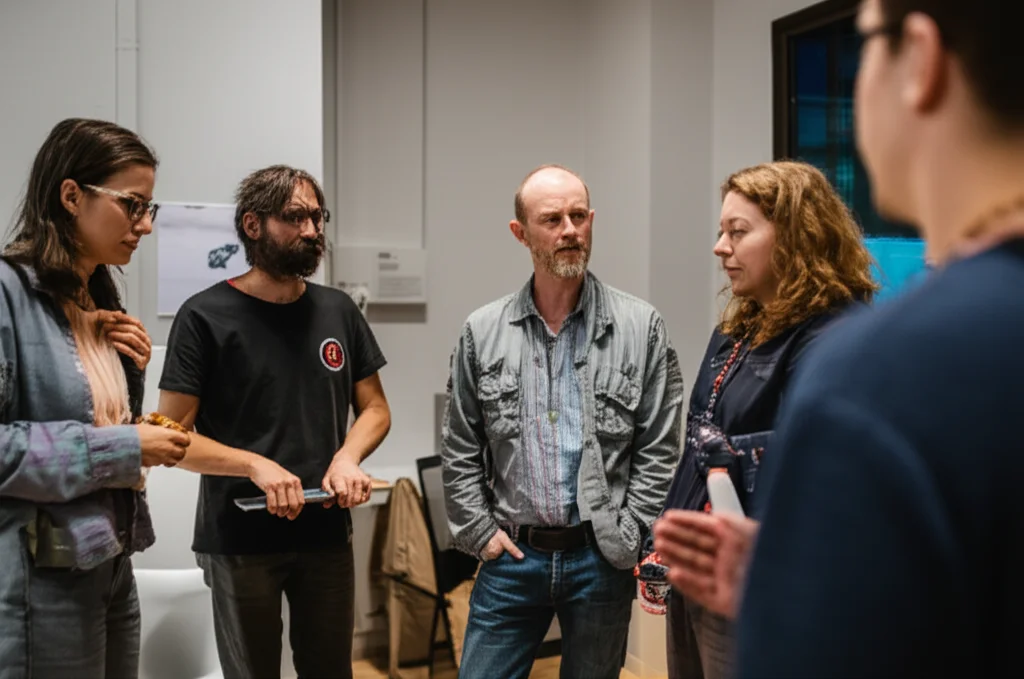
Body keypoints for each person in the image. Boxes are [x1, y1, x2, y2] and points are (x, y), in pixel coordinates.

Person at [656, 0, 1024, 676]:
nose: (720, 248)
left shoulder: (872, 366)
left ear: (919, 58)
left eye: (864, 46)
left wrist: (783, 583)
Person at [442, 164, 685, 679]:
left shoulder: (641, 327)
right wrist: (480, 533)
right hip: (511, 556)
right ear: (521, 233)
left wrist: (631, 530)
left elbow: (660, 445)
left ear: (592, 220)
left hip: (599, 559)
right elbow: (460, 443)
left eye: (579, 216)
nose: (569, 230)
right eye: (552, 219)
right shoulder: (482, 331)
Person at [156, 165, 391, 679]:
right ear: (253, 225)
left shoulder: (338, 310)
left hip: (327, 532)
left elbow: (375, 408)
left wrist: (348, 457)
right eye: (294, 217)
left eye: (316, 217)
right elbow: (167, 438)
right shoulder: (204, 316)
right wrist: (254, 465)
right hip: (239, 539)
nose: (311, 230)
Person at [646, 161, 877, 679]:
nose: (719, 247)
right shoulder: (739, 328)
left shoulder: (834, 337)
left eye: (738, 232)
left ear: (796, 237)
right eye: (721, 231)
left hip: (760, 579)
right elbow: (701, 442)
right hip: (702, 567)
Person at [0, 118, 189, 678]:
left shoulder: (92, 299)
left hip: (108, 566)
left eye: (148, 208)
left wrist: (129, 374)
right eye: (133, 205)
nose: (145, 226)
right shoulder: (7, 293)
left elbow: (90, 419)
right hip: (41, 581)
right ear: (71, 196)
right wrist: (125, 445)